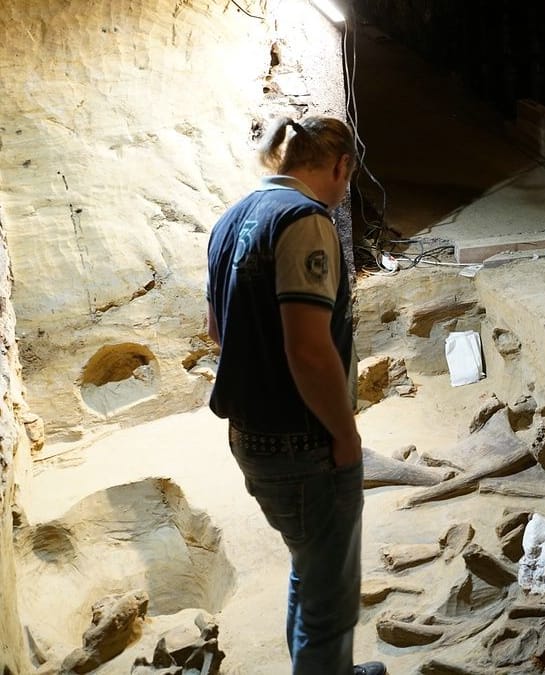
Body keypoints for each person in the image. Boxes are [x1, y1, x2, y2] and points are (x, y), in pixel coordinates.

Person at [206, 116, 386, 675]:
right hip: (300, 440)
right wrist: (346, 435)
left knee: (311, 566)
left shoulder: (231, 217)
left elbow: (217, 330)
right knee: (330, 603)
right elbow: (308, 351)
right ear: (338, 167)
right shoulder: (306, 222)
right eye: (347, 182)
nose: (343, 195)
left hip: (251, 434)